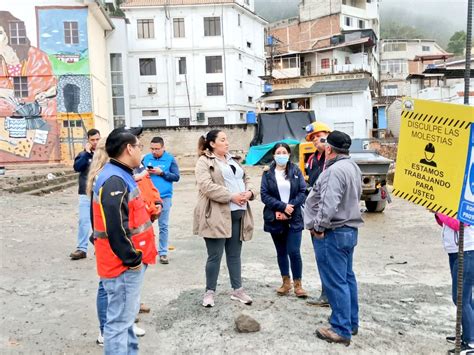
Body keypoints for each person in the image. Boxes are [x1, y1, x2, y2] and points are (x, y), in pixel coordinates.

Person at [92, 128, 155, 354]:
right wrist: (132, 259)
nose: (141, 150)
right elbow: (115, 228)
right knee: (118, 324)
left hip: (122, 263)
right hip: (122, 265)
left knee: (125, 321)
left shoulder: (119, 174)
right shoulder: (114, 180)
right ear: (129, 149)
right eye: (139, 146)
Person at [303, 130, 363, 346]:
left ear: (329, 148)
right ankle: (350, 323)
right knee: (347, 278)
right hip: (348, 230)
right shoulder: (352, 167)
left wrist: (318, 226)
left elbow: (329, 204)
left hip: (334, 232)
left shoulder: (333, 171)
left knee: (335, 281)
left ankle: (340, 328)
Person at [193, 130, 257, 307]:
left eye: (227, 139)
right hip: (216, 215)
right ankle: (209, 292)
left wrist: (250, 192)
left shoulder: (233, 160)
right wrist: (231, 196)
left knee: (235, 255)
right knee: (215, 255)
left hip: (239, 213)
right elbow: (206, 186)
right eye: (222, 140)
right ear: (212, 144)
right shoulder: (204, 161)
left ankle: (238, 290)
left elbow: (248, 177)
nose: (227, 142)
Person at [260, 143, 308, 298]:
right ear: (274, 155)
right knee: (281, 252)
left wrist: (290, 208)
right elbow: (264, 195)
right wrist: (281, 208)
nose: (281, 155)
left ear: (289, 154)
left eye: (284, 152)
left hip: (294, 217)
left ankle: (298, 284)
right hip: (275, 217)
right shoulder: (267, 173)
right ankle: (285, 282)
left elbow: (302, 191)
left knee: (294, 251)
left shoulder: (296, 170)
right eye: (278, 152)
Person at [434, 213, 474, 354]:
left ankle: (471, 341)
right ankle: (468, 333)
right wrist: (438, 214)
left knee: (461, 298)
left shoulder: (468, 197)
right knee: (466, 298)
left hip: (467, 250)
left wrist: (440, 212)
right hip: (456, 251)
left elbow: (460, 224)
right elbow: (448, 224)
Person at [304, 121, 332, 307]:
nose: (316, 141)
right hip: (315, 214)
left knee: (331, 257)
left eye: (319, 137)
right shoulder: (311, 160)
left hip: (329, 215)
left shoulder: (334, 159)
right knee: (320, 256)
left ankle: (331, 294)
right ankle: (325, 293)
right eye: (313, 138)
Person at [142, 137, 180, 264]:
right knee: (145, 225)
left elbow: (176, 177)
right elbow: (136, 172)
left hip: (164, 197)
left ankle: (163, 252)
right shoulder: (146, 158)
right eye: (152, 149)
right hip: (147, 197)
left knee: (163, 225)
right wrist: (145, 172)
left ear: (163, 148)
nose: (154, 151)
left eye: (157, 149)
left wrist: (162, 173)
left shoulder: (170, 159)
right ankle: (145, 251)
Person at [70, 128, 101, 260]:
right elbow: (77, 167)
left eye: (97, 139)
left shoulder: (105, 154)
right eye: (92, 140)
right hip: (85, 192)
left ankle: (100, 248)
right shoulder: (83, 154)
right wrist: (86, 153)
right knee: (83, 220)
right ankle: (81, 249)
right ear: (88, 141)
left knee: (100, 221)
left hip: (101, 191)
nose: (95, 142)